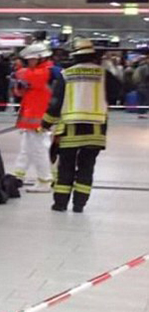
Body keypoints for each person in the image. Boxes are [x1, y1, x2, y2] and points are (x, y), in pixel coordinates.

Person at [42, 39, 117, 213]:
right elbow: (116, 93)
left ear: (75, 56)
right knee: (87, 166)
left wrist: (46, 123)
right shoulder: (103, 74)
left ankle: (60, 204)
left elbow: (56, 103)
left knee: (65, 166)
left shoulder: (66, 74)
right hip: (96, 128)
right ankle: (79, 205)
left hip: (70, 128)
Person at [12, 43, 55, 193]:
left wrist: (18, 73)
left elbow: (28, 77)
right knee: (28, 147)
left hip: (39, 118)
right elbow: (20, 92)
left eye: (31, 60)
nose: (28, 63)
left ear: (40, 58)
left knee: (38, 149)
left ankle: (45, 180)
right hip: (31, 116)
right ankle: (18, 175)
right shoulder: (36, 71)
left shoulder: (46, 71)